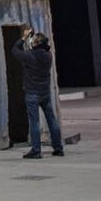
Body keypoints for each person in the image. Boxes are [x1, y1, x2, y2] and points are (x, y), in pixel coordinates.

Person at [11, 26, 64, 158]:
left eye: (33, 40)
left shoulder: (29, 56)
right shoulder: (48, 55)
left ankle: (36, 150)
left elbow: (15, 50)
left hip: (32, 93)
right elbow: (36, 50)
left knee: (34, 122)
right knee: (51, 120)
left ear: (36, 43)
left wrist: (23, 38)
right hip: (44, 93)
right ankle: (58, 148)